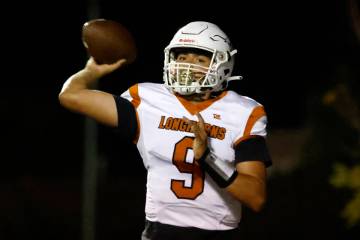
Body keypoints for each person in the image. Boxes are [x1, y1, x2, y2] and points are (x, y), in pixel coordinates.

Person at [59, 21, 272, 240]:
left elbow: (255, 197)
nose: (187, 66)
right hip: (160, 232)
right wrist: (90, 72)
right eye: (181, 58)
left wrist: (207, 159)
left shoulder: (243, 112)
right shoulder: (148, 101)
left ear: (221, 65)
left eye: (199, 59)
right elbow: (71, 96)